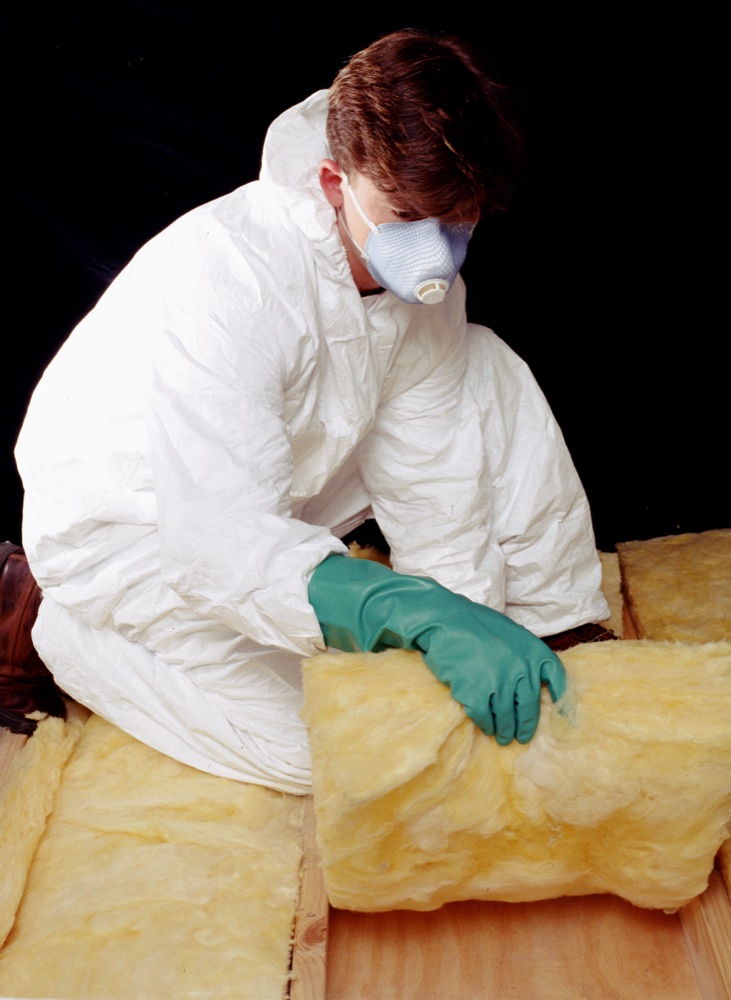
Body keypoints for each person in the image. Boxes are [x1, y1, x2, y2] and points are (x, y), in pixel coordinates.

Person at [13, 29, 611, 794]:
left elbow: (435, 467)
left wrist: (464, 627)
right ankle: (50, 623)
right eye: (406, 216)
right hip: (142, 536)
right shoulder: (225, 277)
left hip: (282, 493)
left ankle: (557, 628)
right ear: (334, 181)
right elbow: (219, 543)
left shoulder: (424, 288)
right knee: (333, 754)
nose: (435, 251)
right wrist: (411, 613)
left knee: (480, 362)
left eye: (456, 221)